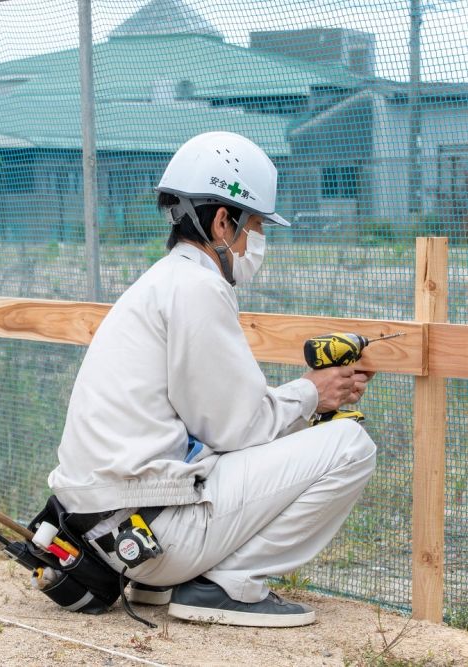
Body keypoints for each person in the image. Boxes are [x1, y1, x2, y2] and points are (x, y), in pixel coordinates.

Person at [47, 131, 376, 627]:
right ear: (224, 221)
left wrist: (301, 397)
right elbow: (237, 429)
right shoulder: (198, 288)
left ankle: (176, 581)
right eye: (256, 226)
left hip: (113, 532)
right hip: (154, 535)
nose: (257, 241)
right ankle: (226, 585)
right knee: (350, 444)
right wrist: (314, 391)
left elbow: (214, 419)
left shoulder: (163, 281)